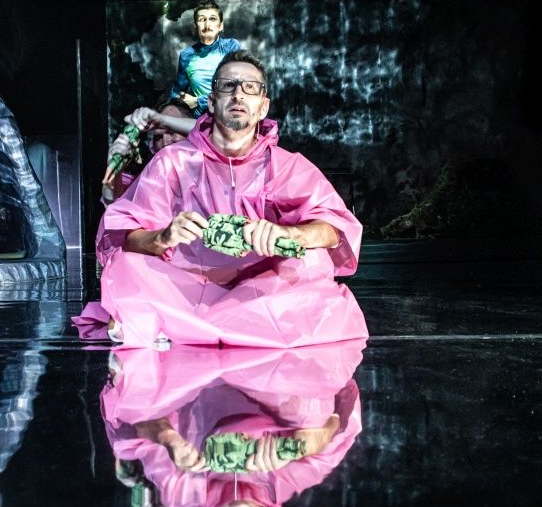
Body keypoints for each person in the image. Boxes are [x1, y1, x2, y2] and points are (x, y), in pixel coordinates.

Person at [83, 49, 368, 348]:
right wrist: (163, 237)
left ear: (263, 107)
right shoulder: (172, 162)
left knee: (312, 259)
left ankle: (176, 327)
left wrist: (286, 233)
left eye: (250, 87)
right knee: (128, 265)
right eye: (228, 86)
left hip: (263, 292)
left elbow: (333, 229)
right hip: (183, 289)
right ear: (211, 102)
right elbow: (128, 238)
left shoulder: (286, 165)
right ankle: (222, 328)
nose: (238, 94)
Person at [102, 340, 365, 507]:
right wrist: (312, 440)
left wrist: (167, 438)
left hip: (186, 357)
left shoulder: (180, 492)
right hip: (272, 353)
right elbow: (343, 422)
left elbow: (131, 423)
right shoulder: (289, 481)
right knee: (314, 417)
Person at [102, 97, 196, 203]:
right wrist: (114, 170)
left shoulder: (205, 159)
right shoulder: (145, 179)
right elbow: (111, 203)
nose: (165, 142)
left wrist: (161, 119)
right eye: (159, 137)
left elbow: (202, 127)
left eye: (171, 132)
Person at [170, 0, 241, 118]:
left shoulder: (231, 47)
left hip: (230, 114)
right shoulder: (187, 55)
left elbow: (235, 85)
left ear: (221, 26)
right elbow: (176, 93)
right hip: (200, 120)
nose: (207, 25)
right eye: (202, 19)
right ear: (195, 26)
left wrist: (199, 101)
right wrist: (182, 100)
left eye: (212, 19)